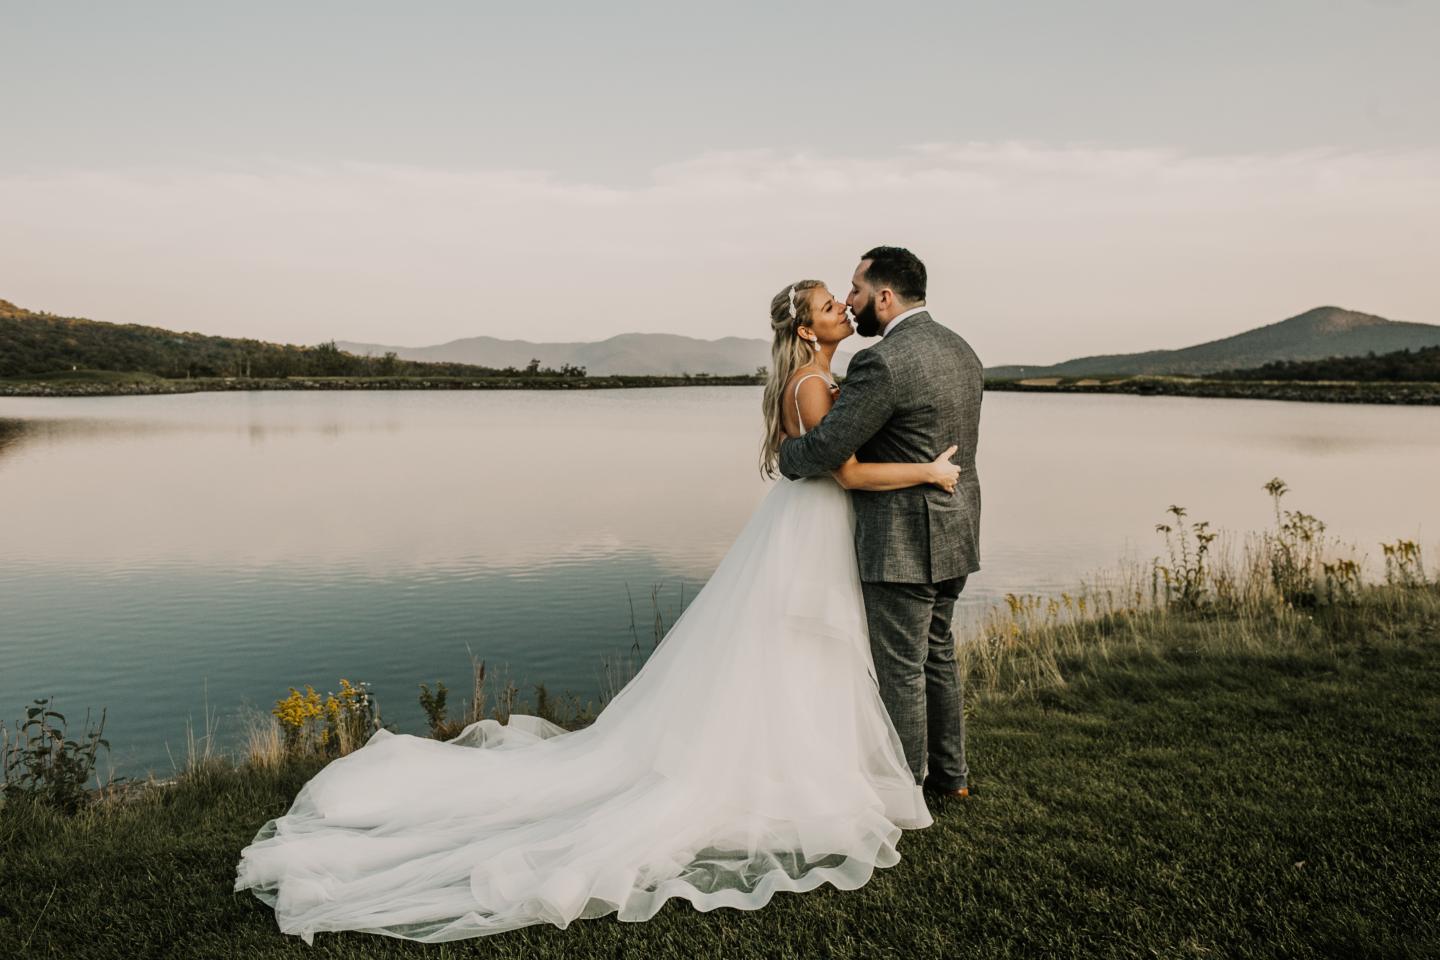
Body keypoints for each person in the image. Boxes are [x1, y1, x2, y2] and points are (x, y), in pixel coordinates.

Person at [233, 276, 961, 945]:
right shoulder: (813, 385)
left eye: (843, 300)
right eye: (830, 306)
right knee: (799, 651)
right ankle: (803, 769)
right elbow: (846, 469)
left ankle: (817, 762)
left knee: (796, 653)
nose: (843, 309)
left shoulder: (813, 377)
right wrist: (930, 469)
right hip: (811, 531)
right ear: (806, 331)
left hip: (806, 530)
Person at [779, 246, 984, 800]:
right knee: (937, 652)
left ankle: (902, 794)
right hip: (957, 526)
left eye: (856, 289)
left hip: (904, 537)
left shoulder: (883, 361)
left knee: (901, 670)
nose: (850, 301)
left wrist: (785, 460)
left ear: (885, 296)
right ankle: (952, 778)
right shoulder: (961, 349)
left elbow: (829, 446)